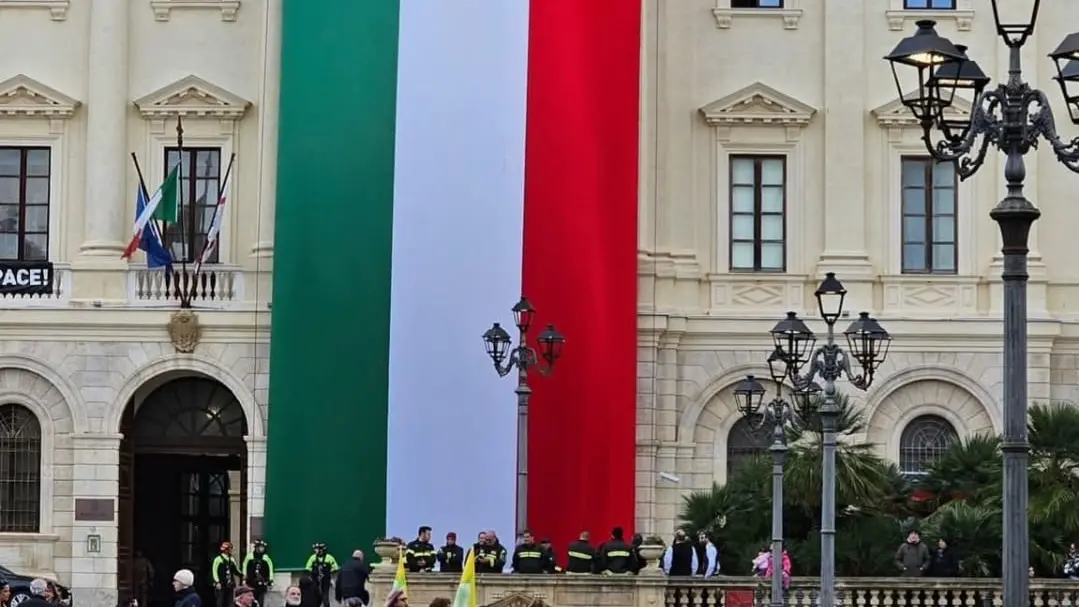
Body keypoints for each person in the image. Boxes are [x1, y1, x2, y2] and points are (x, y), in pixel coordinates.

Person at [243, 540, 275, 606]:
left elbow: (270, 569)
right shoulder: (249, 556)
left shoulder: (266, 558)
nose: (262, 549)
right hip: (251, 582)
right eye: (261, 547)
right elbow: (244, 566)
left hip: (262, 583)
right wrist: (244, 578)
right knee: (251, 599)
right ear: (256, 547)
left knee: (261, 600)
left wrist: (271, 580)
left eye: (263, 547)